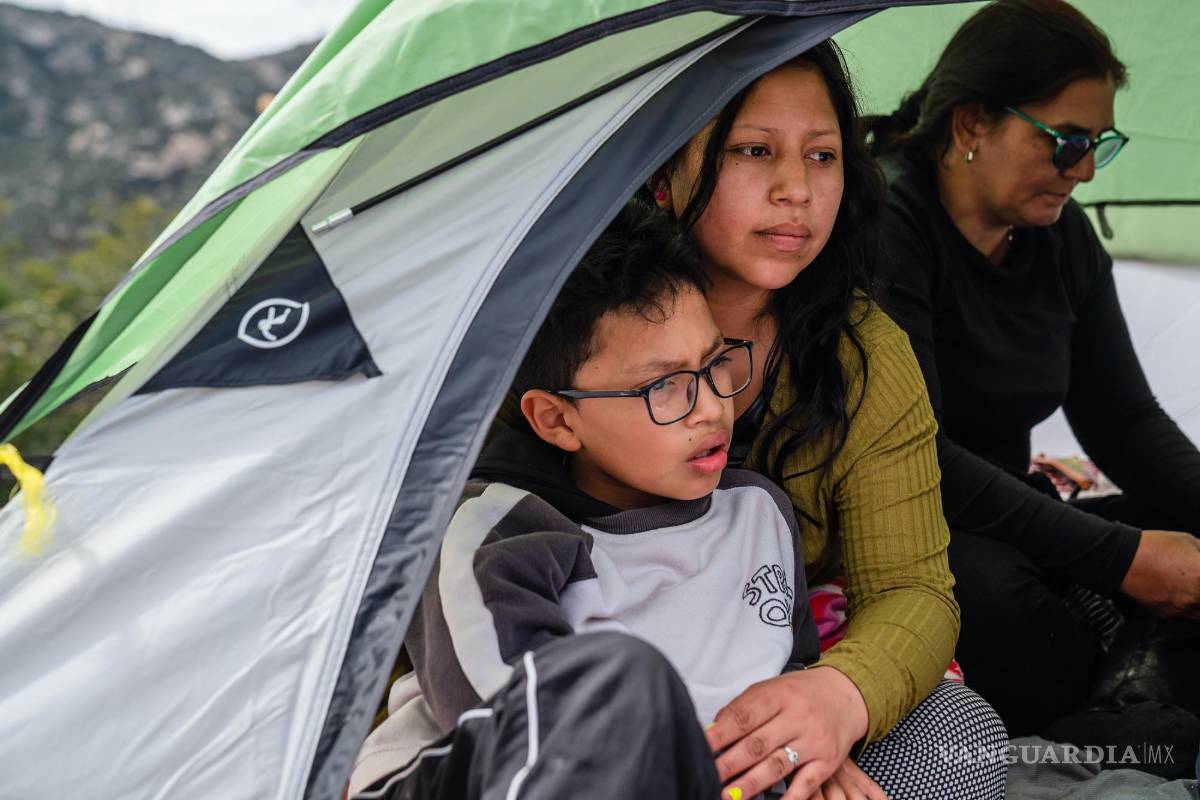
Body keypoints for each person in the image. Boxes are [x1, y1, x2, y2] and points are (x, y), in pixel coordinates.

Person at [350, 204, 825, 799]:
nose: (710, 407)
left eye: (712, 365)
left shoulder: (760, 515)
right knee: (624, 679)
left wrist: (803, 761)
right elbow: (506, 715)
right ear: (557, 420)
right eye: (664, 386)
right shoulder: (497, 532)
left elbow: (786, 679)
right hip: (494, 776)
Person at [642, 40, 1006, 800]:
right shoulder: (578, 334)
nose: (795, 191)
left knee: (961, 738)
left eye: (822, 157)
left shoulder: (864, 350)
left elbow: (914, 592)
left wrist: (833, 703)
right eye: (753, 150)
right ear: (662, 174)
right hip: (613, 675)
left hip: (800, 664)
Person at [868, 0, 1200, 758]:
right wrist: (1122, 560)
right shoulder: (887, 224)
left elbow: (1125, 422)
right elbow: (919, 461)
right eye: (1067, 142)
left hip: (1019, 517)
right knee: (1001, 611)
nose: (1082, 171)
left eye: (1099, 144)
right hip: (917, 526)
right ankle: (1129, 679)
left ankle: (1123, 676)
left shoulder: (1058, 234)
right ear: (970, 125)